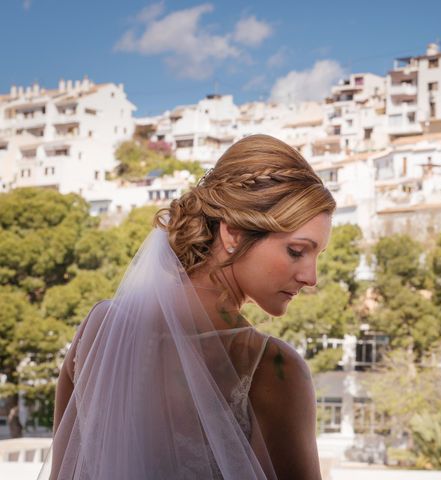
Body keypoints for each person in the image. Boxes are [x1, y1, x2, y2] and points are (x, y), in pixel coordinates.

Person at [42, 134, 336, 480]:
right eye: (297, 251)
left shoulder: (101, 327)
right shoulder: (272, 368)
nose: (311, 277)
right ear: (234, 234)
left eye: (318, 256)